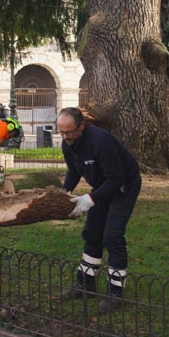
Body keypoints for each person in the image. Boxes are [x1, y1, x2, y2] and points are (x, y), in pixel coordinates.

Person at [57, 107, 142, 314]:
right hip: (102, 186)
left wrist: (90, 198)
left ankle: (115, 291)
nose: (65, 137)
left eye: (69, 132)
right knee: (92, 233)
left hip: (123, 187)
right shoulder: (68, 144)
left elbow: (116, 179)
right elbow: (74, 171)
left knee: (112, 236)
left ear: (82, 126)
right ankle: (86, 284)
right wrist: (62, 193)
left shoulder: (101, 142)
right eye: (61, 132)